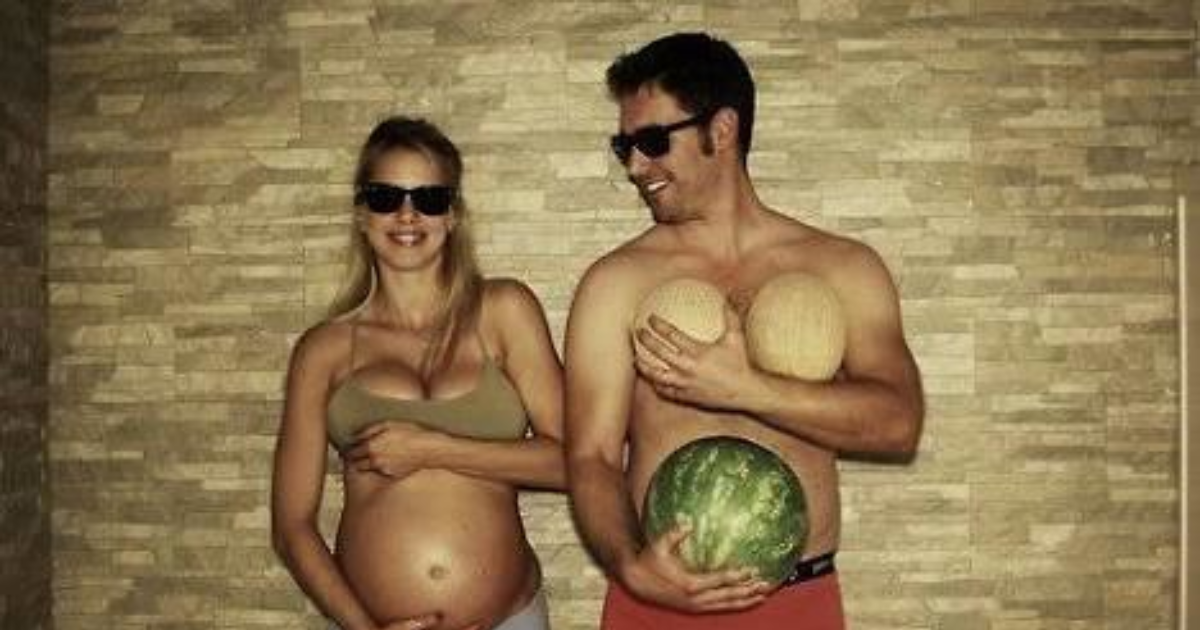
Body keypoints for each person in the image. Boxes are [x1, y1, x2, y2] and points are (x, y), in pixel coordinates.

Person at [564, 32, 925, 630]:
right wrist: (630, 565)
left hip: (796, 601)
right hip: (656, 602)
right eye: (623, 146)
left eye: (653, 142)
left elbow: (897, 425)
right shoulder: (616, 282)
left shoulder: (842, 267)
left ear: (723, 129)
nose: (635, 166)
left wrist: (746, 389)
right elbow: (590, 456)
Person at [271, 116, 565, 630]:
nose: (407, 215)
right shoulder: (324, 350)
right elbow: (292, 526)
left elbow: (578, 464)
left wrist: (432, 449)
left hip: (509, 620)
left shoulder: (504, 310)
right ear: (362, 214)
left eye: (429, 199)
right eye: (386, 197)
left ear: (452, 216)